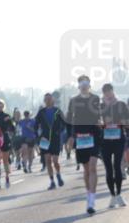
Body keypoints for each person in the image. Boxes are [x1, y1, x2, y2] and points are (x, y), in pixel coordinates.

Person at [66, 75, 103, 215]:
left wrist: (100, 121)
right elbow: (69, 119)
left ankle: (92, 201)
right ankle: (89, 195)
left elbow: (98, 115)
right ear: (78, 85)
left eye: (86, 82)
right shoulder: (73, 101)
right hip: (80, 137)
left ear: (89, 85)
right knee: (86, 170)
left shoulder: (95, 98)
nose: (84, 85)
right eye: (82, 83)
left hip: (94, 135)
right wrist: (70, 136)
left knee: (93, 167)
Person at [100, 83, 128, 207]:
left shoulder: (121, 104)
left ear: (113, 91)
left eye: (109, 91)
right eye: (105, 91)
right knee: (108, 169)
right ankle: (112, 195)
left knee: (117, 166)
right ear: (103, 93)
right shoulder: (99, 107)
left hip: (118, 139)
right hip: (105, 141)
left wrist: (122, 122)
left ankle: (119, 195)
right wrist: (100, 123)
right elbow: (94, 122)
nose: (107, 93)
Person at [34, 93, 66, 189]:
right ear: (44, 101)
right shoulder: (41, 112)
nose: (48, 101)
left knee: (55, 161)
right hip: (45, 139)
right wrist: (38, 136)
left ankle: (58, 175)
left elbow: (64, 124)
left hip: (55, 138)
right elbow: (35, 125)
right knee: (48, 161)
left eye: (49, 99)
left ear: (52, 100)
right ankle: (52, 181)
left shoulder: (57, 111)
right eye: (46, 99)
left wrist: (58, 132)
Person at [0, 100, 15, 189]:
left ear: (3, 106)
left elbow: (12, 128)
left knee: (5, 160)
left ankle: (7, 178)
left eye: (0, 105)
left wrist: (9, 121)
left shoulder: (6, 116)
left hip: (5, 139)